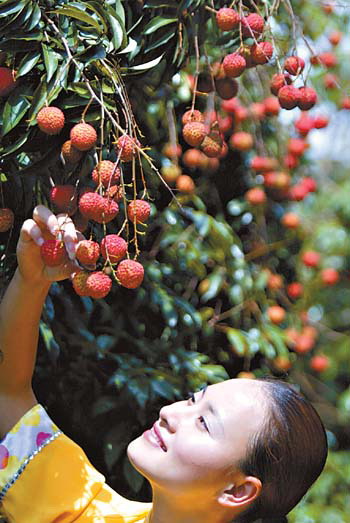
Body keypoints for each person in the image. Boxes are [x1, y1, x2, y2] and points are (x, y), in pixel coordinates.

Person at [0, 206, 328, 523]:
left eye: (204, 423)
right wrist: (31, 282)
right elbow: (7, 395)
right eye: (191, 400)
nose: (170, 413)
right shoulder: (88, 510)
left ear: (238, 490)